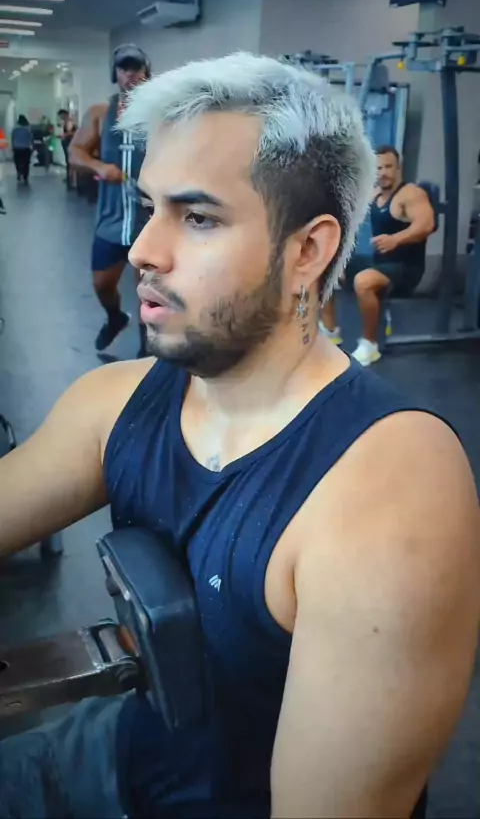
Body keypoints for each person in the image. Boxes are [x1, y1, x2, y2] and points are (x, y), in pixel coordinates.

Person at [0, 53, 479, 819]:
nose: (143, 250)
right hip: (113, 751)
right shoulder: (115, 401)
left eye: (198, 218)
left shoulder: (389, 492)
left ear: (307, 252)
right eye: (150, 206)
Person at [319, 145, 436, 365]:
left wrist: (396, 239)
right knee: (326, 266)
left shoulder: (411, 194)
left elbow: (426, 224)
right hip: (381, 263)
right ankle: (331, 331)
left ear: (398, 168)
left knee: (363, 282)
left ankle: (369, 345)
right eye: (378, 168)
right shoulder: (375, 195)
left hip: (406, 269)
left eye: (388, 167)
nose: (383, 173)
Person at [69, 44, 151, 356]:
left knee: (148, 291)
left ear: (146, 72)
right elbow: (75, 152)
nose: (130, 75)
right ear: (115, 74)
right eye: (123, 68)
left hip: (149, 219)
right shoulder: (100, 113)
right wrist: (100, 167)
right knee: (102, 285)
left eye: (136, 68)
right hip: (111, 218)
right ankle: (115, 317)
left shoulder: (161, 115)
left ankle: (146, 349)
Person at [11, 114, 33, 185]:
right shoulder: (28, 128)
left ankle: (19, 171)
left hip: (17, 147)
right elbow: (31, 138)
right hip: (26, 147)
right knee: (26, 162)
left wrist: (13, 146)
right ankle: (25, 176)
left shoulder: (15, 128)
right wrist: (32, 145)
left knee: (17, 161)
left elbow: (12, 137)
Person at [57, 108, 77, 188]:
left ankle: (71, 178)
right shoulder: (66, 122)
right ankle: (69, 178)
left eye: (61, 116)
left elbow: (72, 132)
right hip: (67, 142)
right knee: (68, 161)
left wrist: (64, 135)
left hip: (69, 143)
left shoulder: (69, 122)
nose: (61, 118)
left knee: (70, 161)